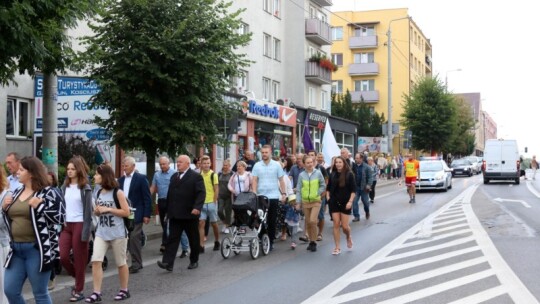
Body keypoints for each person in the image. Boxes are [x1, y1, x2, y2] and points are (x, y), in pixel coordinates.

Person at [2, 156, 65, 304]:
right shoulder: (16, 192)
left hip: (37, 250)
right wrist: (4, 209)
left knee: (40, 293)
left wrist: (40, 206)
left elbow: (61, 218)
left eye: (22, 170)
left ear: (31, 173)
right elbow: (11, 219)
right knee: (10, 291)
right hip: (16, 250)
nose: (18, 172)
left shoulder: (49, 193)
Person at [85, 164, 131, 303]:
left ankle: (124, 290)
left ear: (104, 176)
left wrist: (108, 209)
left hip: (117, 232)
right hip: (101, 232)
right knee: (96, 261)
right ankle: (96, 292)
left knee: (120, 263)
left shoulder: (118, 192)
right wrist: (98, 211)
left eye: (97, 174)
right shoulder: (98, 192)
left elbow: (126, 212)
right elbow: (99, 211)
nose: (94, 176)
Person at [158, 155, 205, 272]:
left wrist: (197, 207)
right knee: (172, 239)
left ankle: (194, 260)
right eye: (177, 162)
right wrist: (168, 211)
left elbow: (201, 193)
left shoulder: (196, 177)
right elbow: (170, 195)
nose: (178, 164)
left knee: (193, 238)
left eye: (180, 162)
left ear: (188, 164)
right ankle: (168, 263)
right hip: (175, 214)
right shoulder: (174, 177)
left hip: (189, 214)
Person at [59, 157, 94, 302]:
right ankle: (78, 277)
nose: (69, 171)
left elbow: (88, 212)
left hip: (80, 224)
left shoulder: (85, 188)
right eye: (68, 169)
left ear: (78, 170)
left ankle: (79, 290)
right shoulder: (64, 186)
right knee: (63, 256)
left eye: (72, 169)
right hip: (66, 225)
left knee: (80, 259)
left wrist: (86, 232)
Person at [118, 156, 152, 274]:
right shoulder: (120, 180)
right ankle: (125, 262)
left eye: (126, 166)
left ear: (133, 166)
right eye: (123, 166)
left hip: (136, 213)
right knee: (125, 238)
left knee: (133, 237)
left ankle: (137, 263)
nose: (124, 168)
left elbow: (147, 198)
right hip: (123, 213)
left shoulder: (141, 179)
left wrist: (147, 214)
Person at [252, 145, 288, 250]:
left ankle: (271, 241)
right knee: (260, 219)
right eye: (262, 152)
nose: (264, 154)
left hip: (273, 196)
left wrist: (284, 193)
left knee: (272, 220)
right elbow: (254, 180)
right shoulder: (257, 165)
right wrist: (254, 193)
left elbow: (281, 180)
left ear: (270, 152)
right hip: (261, 196)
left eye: (266, 152)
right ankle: (261, 238)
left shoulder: (277, 165)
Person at [326, 156, 356, 255]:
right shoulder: (332, 174)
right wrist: (328, 197)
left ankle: (348, 236)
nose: (338, 164)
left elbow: (353, 191)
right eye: (336, 162)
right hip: (334, 202)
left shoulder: (349, 174)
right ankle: (337, 247)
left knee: (344, 226)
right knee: (336, 224)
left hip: (346, 202)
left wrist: (350, 202)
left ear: (344, 163)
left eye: (340, 162)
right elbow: (328, 188)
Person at [296, 155, 326, 252]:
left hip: (316, 201)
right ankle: (312, 242)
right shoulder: (301, 175)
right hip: (305, 201)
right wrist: (298, 202)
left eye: (311, 162)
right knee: (308, 222)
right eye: (307, 163)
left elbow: (323, 185)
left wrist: (317, 193)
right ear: (304, 164)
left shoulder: (318, 173)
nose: (310, 164)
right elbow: (299, 189)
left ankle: (313, 241)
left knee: (313, 221)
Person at [150, 156, 177, 254]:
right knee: (163, 223)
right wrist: (147, 197)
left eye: (164, 164)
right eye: (160, 164)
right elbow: (153, 187)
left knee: (166, 222)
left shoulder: (174, 173)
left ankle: (164, 244)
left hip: (171, 201)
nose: (162, 166)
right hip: (161, 201)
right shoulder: (157, 175)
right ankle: (170, 240)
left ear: (168, 163)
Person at [199, 155, 220, 252]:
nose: (206, 165)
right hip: (202, 203)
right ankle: (201, 245)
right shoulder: (199, 175)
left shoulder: (213, 175)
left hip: (211, 202)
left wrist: (214, 201)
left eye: (208, 163)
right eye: (204, 163)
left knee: (214, 224)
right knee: (201, 223)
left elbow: (216, 189)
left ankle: (217, 241)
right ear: (201, 164)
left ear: (210, 164)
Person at [0, 166, 12, 304]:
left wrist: (2, 209)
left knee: (4, 288)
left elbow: (4, 223)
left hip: (2, 245)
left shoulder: (6, 195)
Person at [351, 153, 373, 222]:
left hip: (364, 188)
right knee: (354, 202)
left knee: (365, 202)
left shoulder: (367, 167)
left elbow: (370, 178)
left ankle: (367, 211)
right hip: (355, 188)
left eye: (357, 158)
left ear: (361, 159)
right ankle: (356, 216)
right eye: (355, 158)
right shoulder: (353, 166)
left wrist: (368, 185)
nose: (356, 159)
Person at [217, 160, 233, 234]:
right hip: (220, 195)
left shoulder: (232, 174)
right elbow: (216, 184)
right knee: (219, 211)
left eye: (226, 165)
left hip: (229, 196)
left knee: (228, 211)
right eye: (224, 165)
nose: (225, 166)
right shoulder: (219, 174)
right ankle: (224, 222)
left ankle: (227, 226)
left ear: (229, 166)